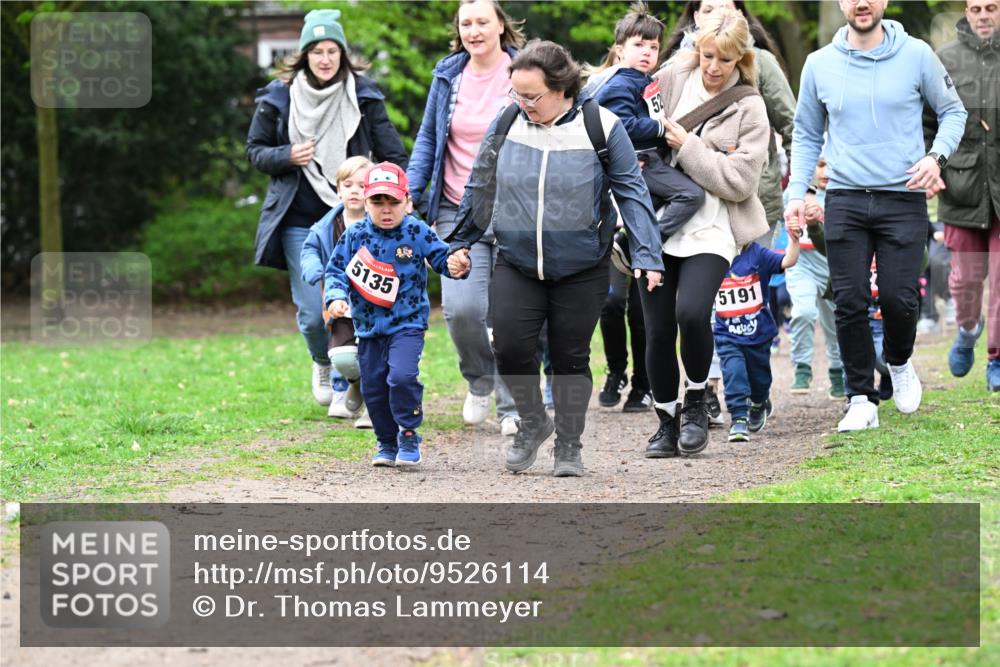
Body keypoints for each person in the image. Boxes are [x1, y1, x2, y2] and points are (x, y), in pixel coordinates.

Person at [447, 40, 664, 477]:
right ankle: (532, 422)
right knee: (509, 346)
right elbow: (481, 181)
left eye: (532, 96)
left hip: (581, 265)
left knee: (570, 358)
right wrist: (461, 240)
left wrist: (647, 254)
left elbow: (631, 191)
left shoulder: (600, 125)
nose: (523, 103)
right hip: (517, 258)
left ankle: (569, 443)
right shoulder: (508, 121)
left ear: (562, 88)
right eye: (518, 94)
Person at [786, 0, 967, 432]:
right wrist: (798, 192)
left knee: (898, 298)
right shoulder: (818, 64)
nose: (861, 3)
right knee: (849, 300)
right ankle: (861, 397)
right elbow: (807, 133)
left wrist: (936, 158)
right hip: (845, 198)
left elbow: (953, 112)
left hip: (902, 196)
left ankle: (900, 362)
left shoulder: (917, 54)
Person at [247, 9, 407, 412]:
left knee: (363, 305)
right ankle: (323, 362)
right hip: (300, 219)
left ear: (342, 53)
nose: (324, 58)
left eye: (332, 50)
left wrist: (378, 184)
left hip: (355, 220)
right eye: (316, 51)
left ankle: (353, 382)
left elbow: (393, 156)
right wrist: (286, 154)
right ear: (303, 55)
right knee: (313, 310)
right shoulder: (278, 96)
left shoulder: (365, 95)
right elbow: (255, 151)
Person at [643, 9, 771, 458]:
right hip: (656, 223)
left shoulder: (750, 106)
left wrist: (691, 147)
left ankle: (696, 400)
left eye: (725, 60)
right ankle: (665, 420)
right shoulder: (673, 77)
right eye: (708, 55)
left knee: (692, 314)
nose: (714, 68)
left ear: (741, 58)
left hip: (715, 225)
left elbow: (739, 181)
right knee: (656, 330)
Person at [407, 0, 526, 436]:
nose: (474, 30)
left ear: (500, 26)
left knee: (512, 314)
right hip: (457, 212)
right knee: (462, 310)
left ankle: (512, 406)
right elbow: (427, 140)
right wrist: (408, 194)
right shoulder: (448, 76)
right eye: (466, 23)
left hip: (516, 211)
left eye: (482, 21)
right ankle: (480, 378)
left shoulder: (524, 71)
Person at [584, 2, 704, 412]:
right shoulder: (620, 82)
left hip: (648, 162)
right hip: (638, 162)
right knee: (691, 195)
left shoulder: (643, 78)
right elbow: (617, 124)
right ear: (619, 49)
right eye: (638, 45)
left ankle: (639, 238)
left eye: (653, 46)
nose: (647, 53)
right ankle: (635, 240)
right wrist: (660, 129)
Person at [324, 163, 456, 467]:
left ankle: (408, 433)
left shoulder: (415, 229)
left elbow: (442, 257)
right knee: (374, 386)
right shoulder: (354, 234)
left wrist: (457, 263)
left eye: (393, 202)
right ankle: (385, 442)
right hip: (368, 327)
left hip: (408, 323)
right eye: (377, 202)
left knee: (402, 376)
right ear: (367, 202)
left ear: (406, 201)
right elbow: (335, 271)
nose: (386, 209)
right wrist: (335, 297)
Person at [662, 0, 796, 245]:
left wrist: (799, 190)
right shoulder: (675, 68)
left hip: (751, 203)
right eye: (709, 10)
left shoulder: (761, 63)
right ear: (696, 17)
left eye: (726, 8)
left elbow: (791, 125)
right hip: (683, 204)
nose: (719, 15)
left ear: (740, 16)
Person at [925, 0, 1000, 391]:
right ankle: (969, 328)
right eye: (976, 8)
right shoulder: (944, 60)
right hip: (962, 188)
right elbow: (925, 120)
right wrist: (932, 164)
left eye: (992, 7)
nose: (984, 15)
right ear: (966, 13)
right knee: (965, 281)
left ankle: (996, 359)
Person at [300, 156, 373, 427]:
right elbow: (309, 250)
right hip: (339, 302)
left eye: (362, 185)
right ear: (338, 189)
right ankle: (343, 388)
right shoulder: (324, 227)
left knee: (374, 351)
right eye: (348, 184)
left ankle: (373, 402)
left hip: (375, 303)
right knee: (341, 353)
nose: (355, 191)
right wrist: (314, 270)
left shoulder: (381, 223)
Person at [715, 221, 801, 443]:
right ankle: (738, 418)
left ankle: (759, 401)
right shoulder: (712, 258)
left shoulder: (757, 253)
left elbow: (787, 261)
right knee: (734, 373)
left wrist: (794, 239)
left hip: (758, 334)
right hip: (727, 333)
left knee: (759, 379)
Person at [786, 158, 845, 399]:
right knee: (804, 312)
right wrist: (794, 223)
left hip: (834, 268)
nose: (826, 171)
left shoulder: (844, 196)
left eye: (831, 164)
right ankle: (802, 367)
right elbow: (784, 217)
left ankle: (837, 373)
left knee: (835, 326)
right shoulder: (795, 195)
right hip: (803, 264)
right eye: (820, 165)